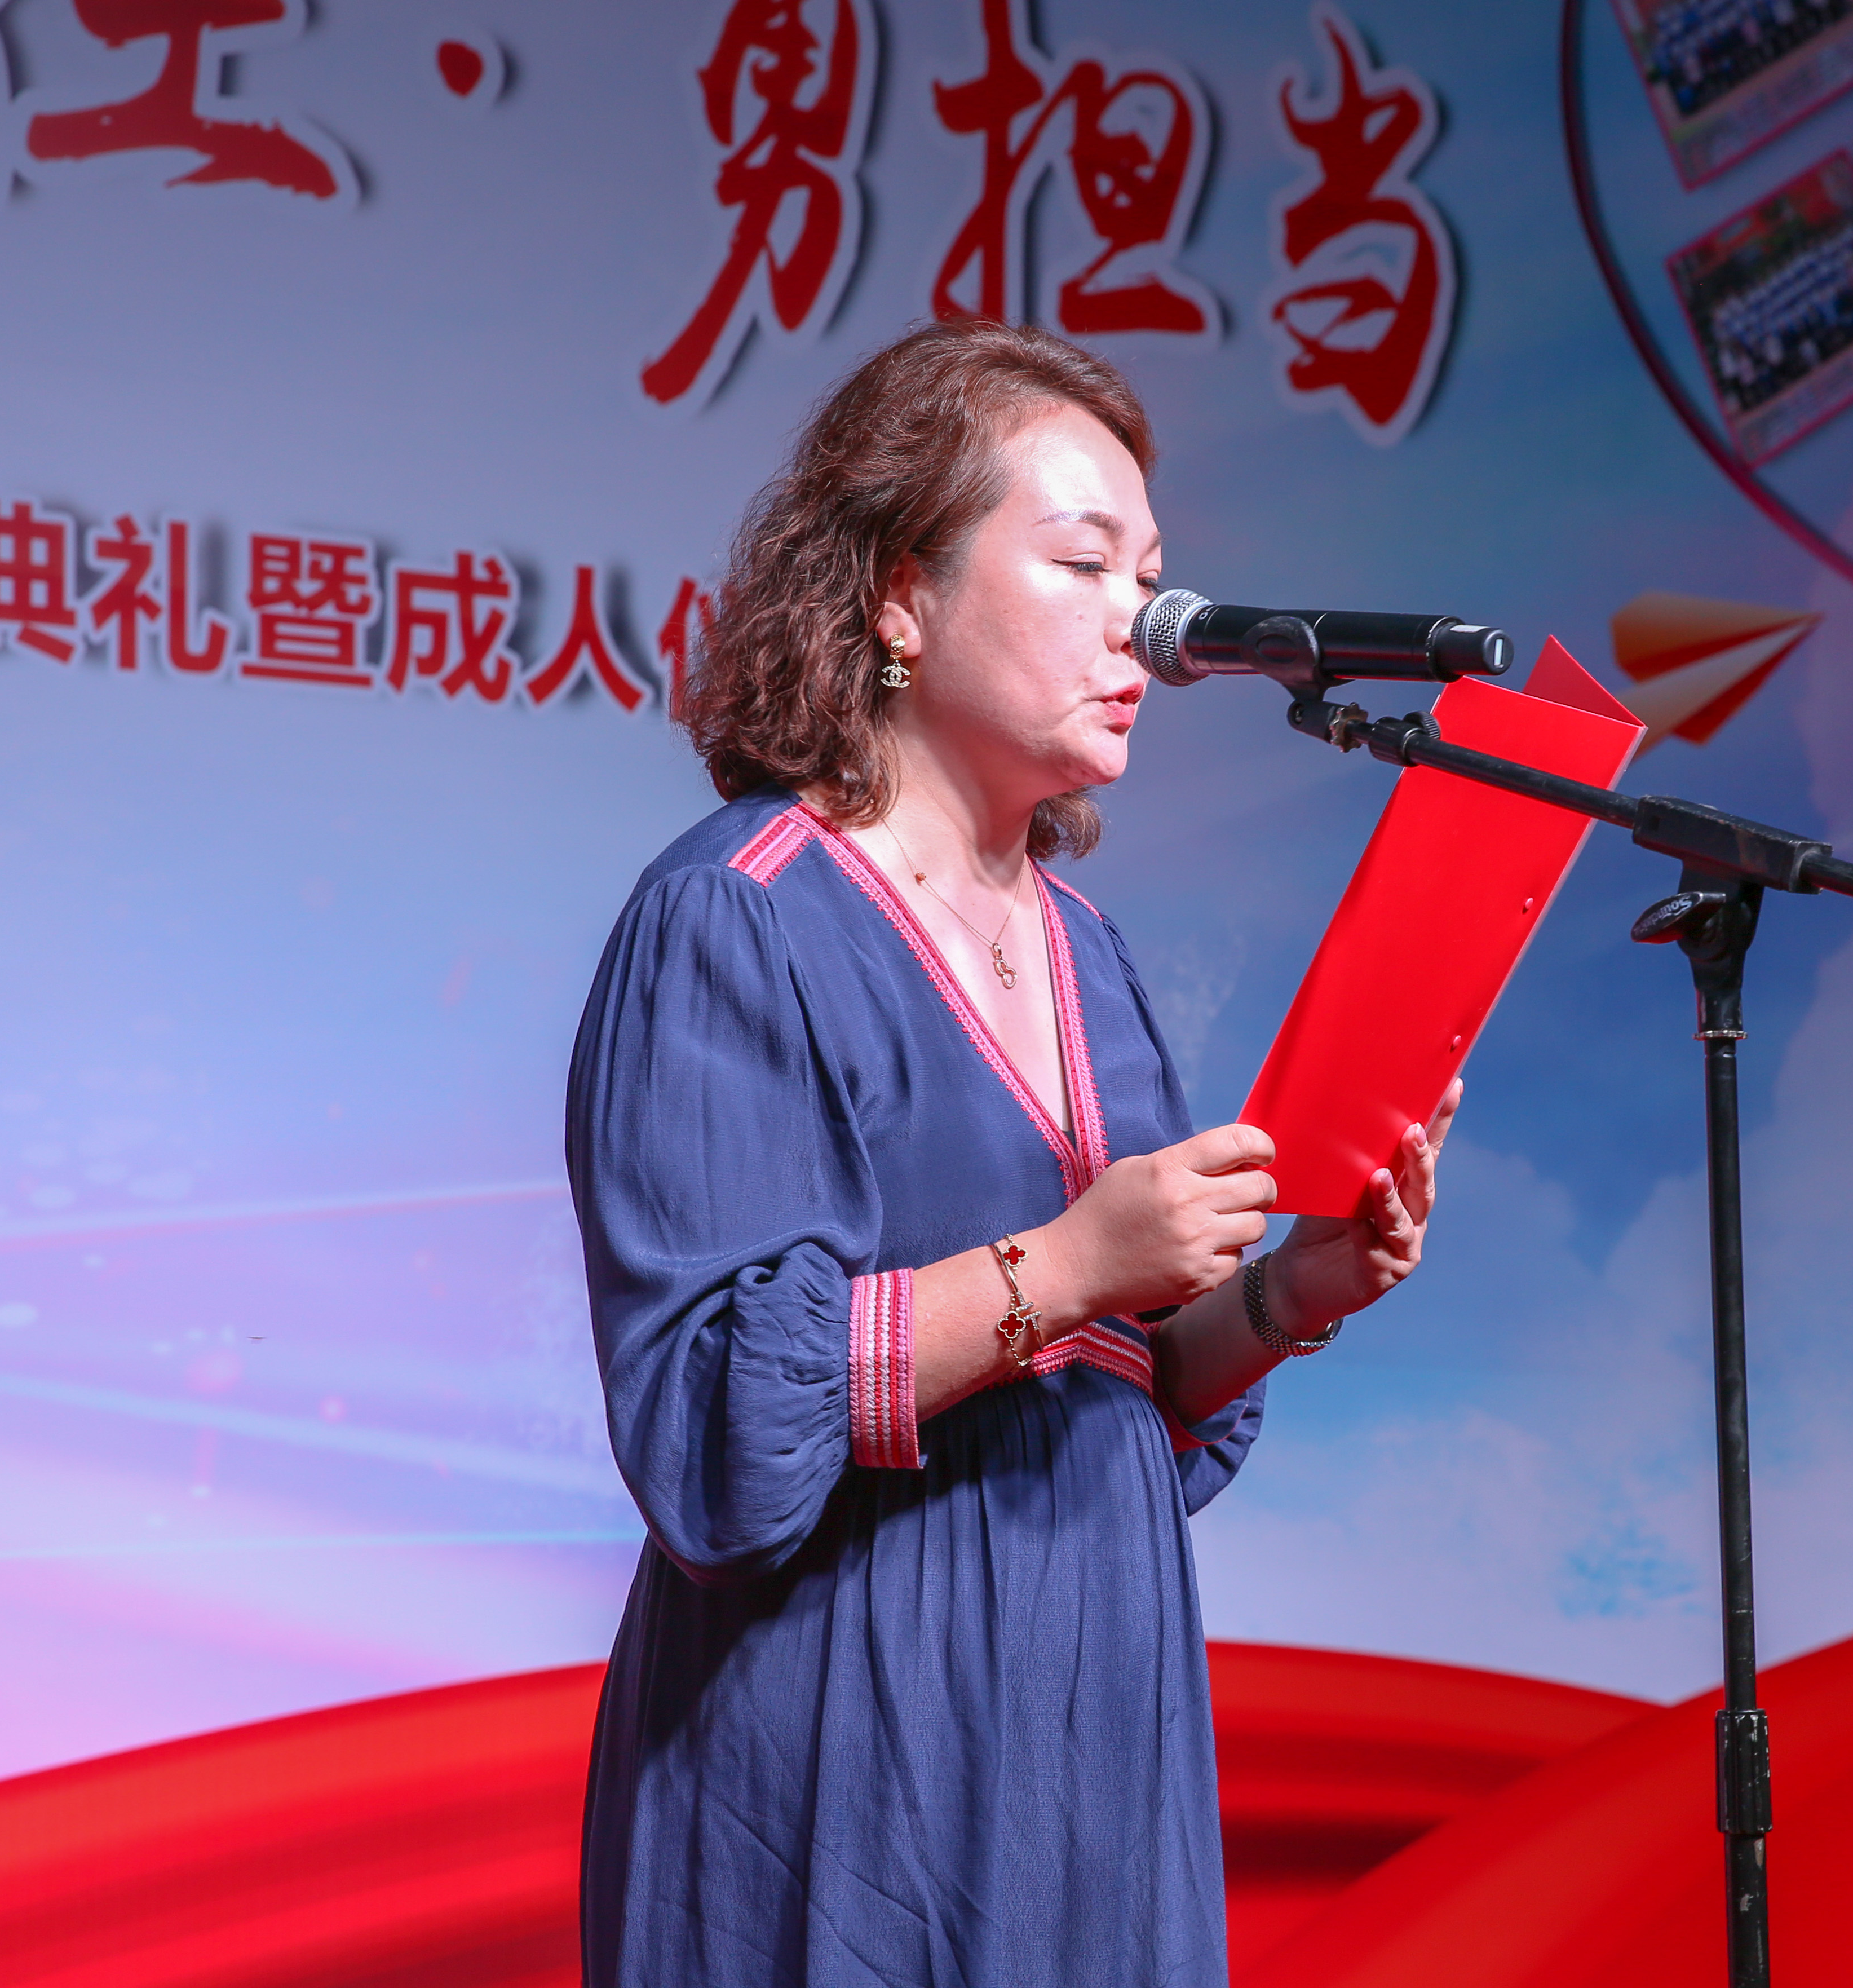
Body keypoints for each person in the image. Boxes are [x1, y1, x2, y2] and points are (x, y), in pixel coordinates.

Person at [566, 317, 1464, 1987]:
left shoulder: (1091, 952)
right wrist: (1069, 1262)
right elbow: (715, 1425)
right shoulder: (737, 913)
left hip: (1096, 1725)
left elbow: (1122, 1391)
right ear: (899, 594)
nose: (1144, 627)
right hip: (845, 1732)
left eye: (1153, 578)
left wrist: (1289, 1295)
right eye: (1083, 563)